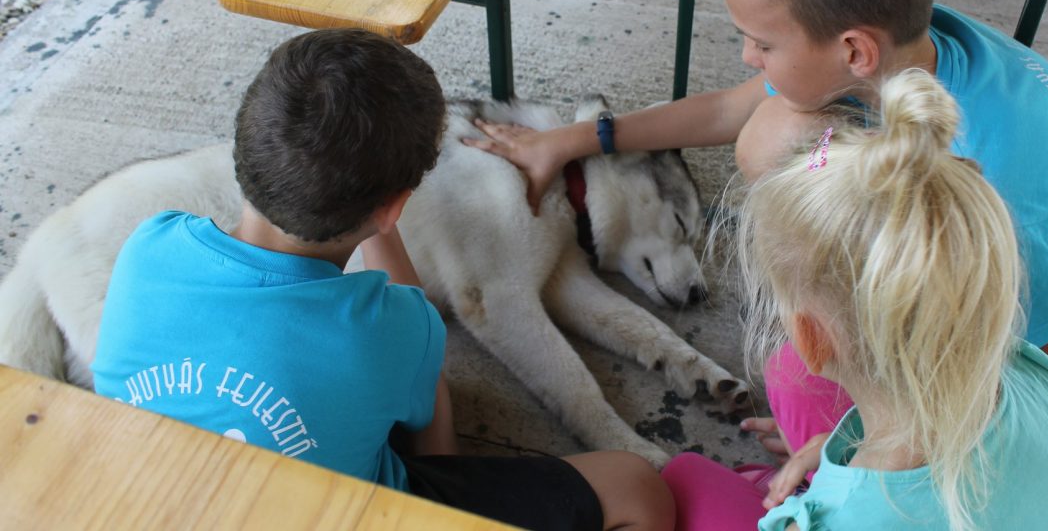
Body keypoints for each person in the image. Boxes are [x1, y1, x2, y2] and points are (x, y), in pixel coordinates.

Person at [465, 0, 1048, 458]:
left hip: (1011, 305)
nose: (748, 58)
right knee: (772, 139)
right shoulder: (886, 38)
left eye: (762, 44)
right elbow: (727, 111)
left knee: (798, 380)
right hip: (948, 223)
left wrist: (871, 439)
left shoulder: (1002, 199)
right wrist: (573, 140)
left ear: (854, 52)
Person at [90, 28, 674, 531]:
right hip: (358, 512)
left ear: (245, 145)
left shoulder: (149, 244)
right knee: (635, 485)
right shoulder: (388, 331)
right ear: (394, 208)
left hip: (153, 504)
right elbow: (418, 384)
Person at [664, 69, 1048, 530]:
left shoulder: (833, 520)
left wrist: (818, 499)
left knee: (682, 478)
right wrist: (834, 451)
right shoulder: (1039, 379)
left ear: (811, 338)